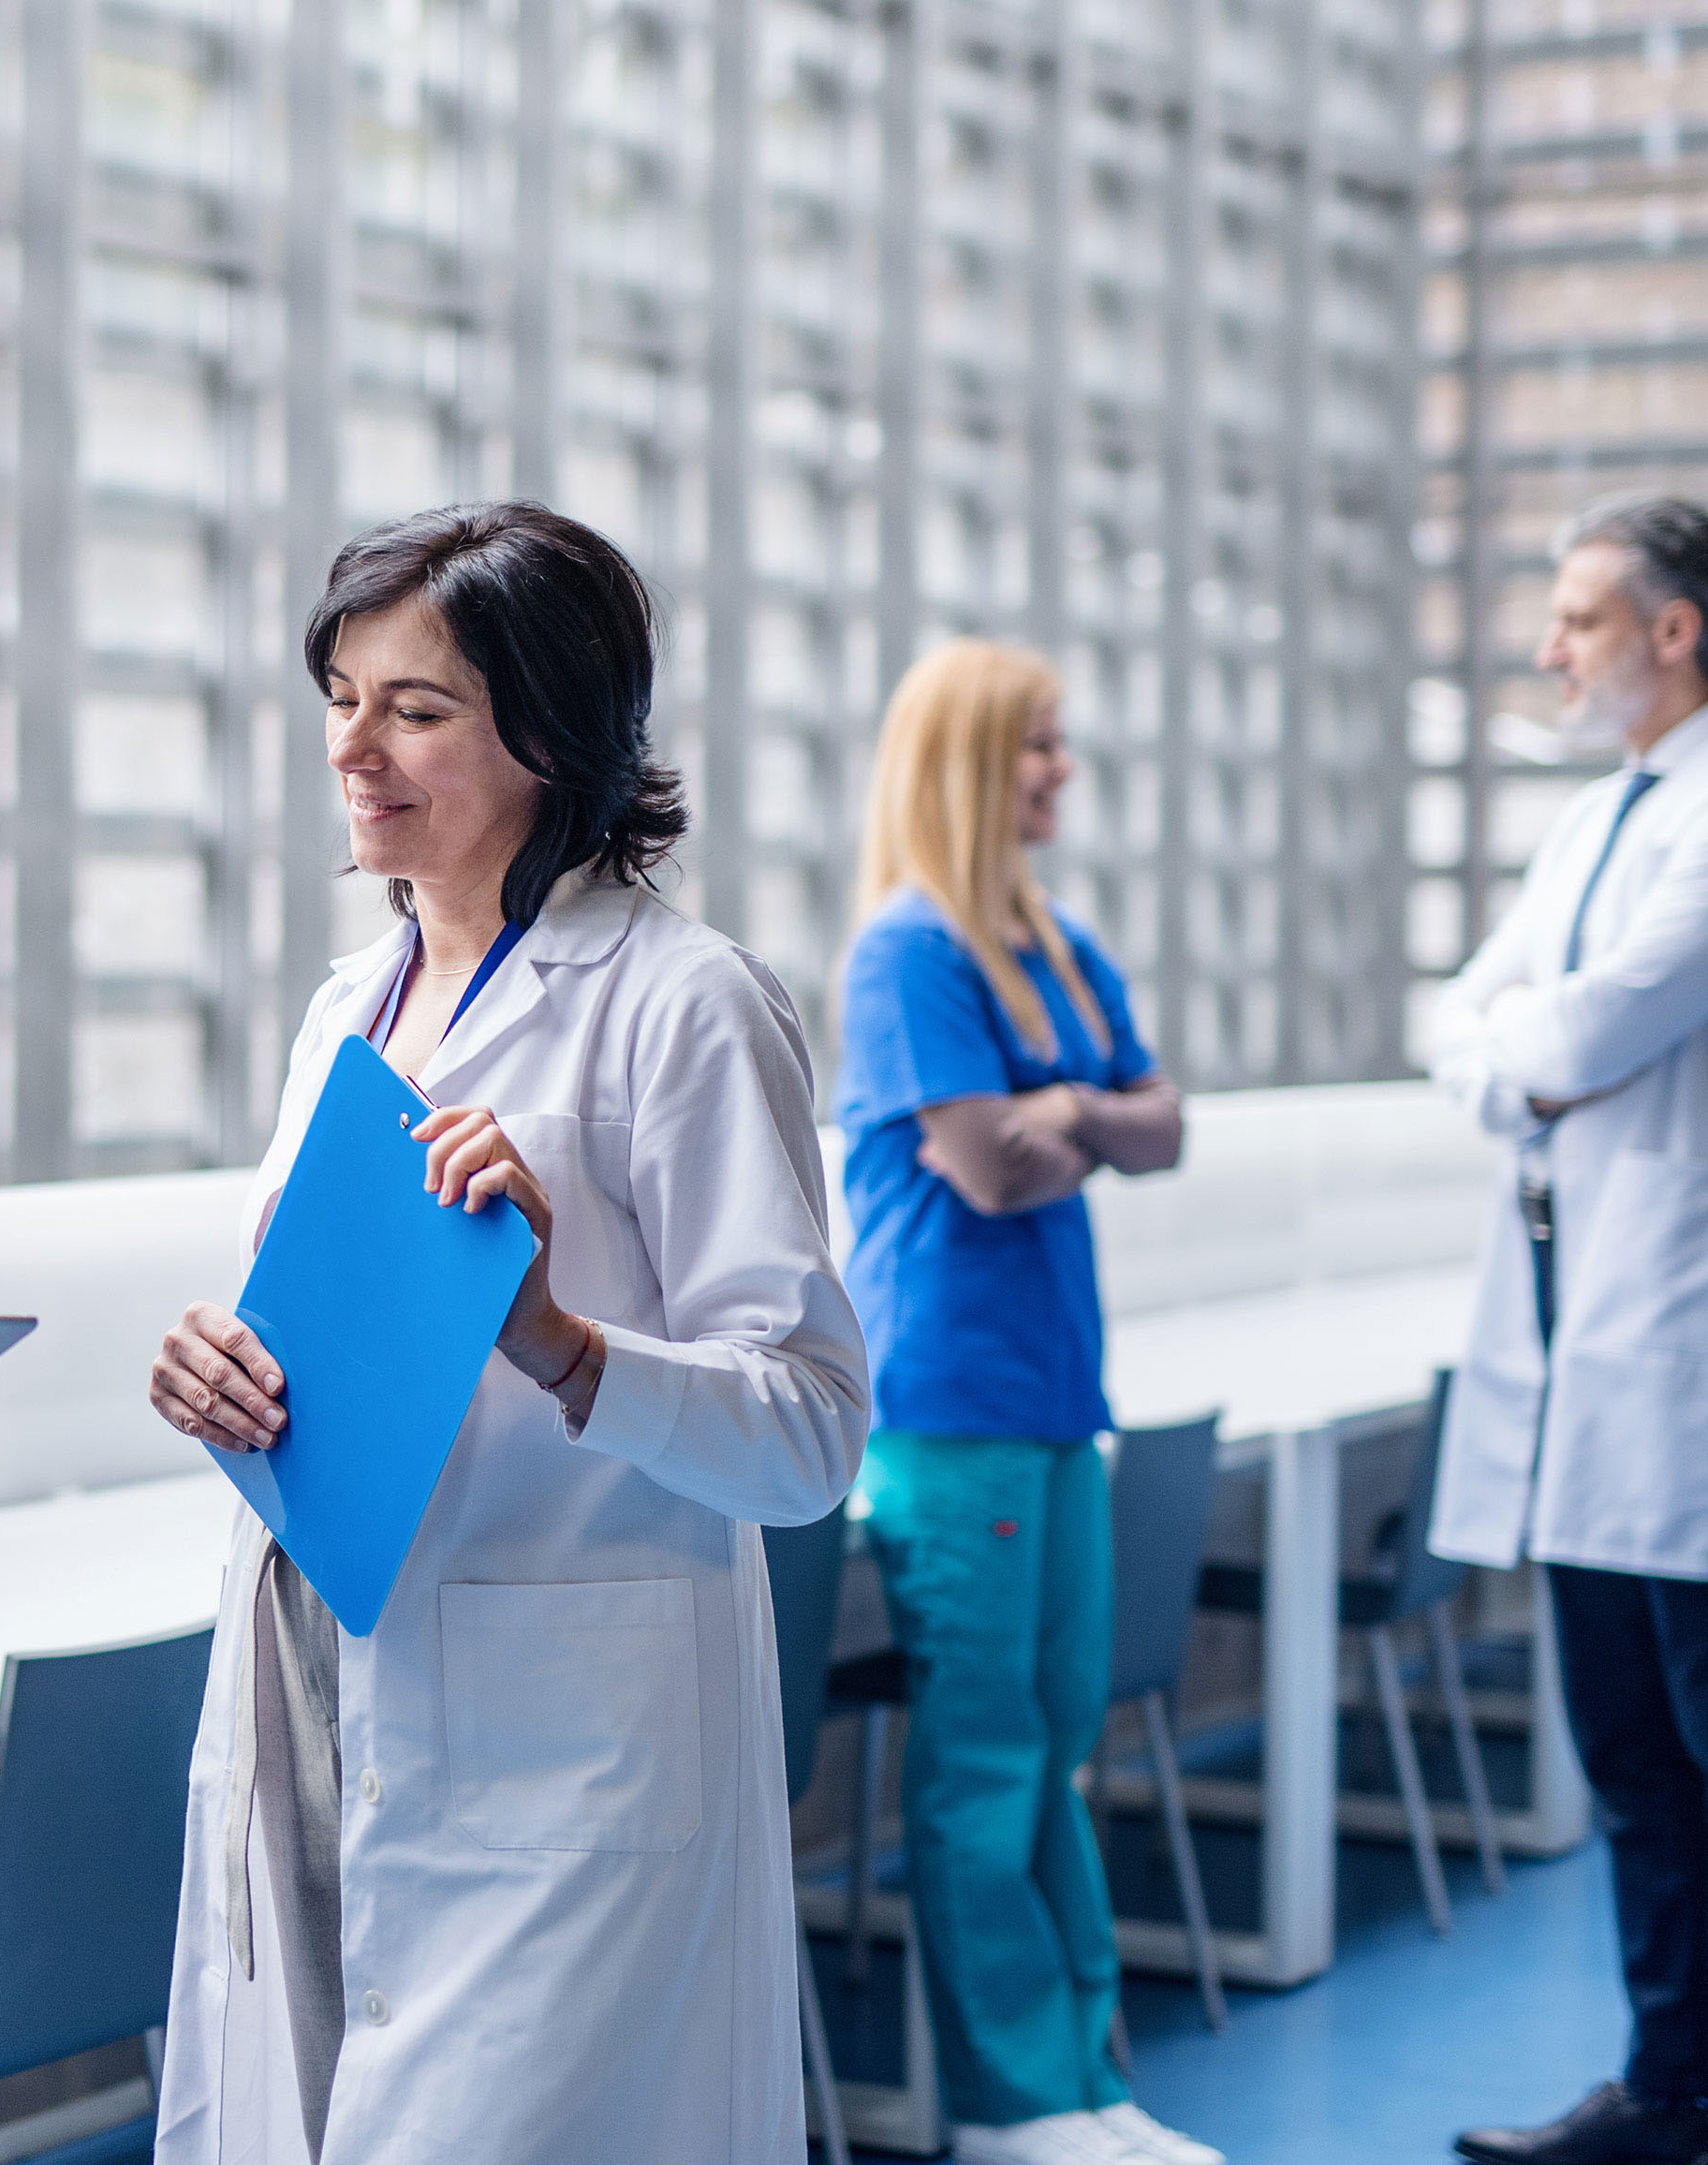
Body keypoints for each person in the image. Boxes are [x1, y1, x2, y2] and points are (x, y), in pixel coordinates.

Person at [139, 501, 873, 2163]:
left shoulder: (683, 1004)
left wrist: (558, 1340)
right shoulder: (351, 1008)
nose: (356, 748)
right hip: (319, 1683)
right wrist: (221, 1379)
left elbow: (814, 1431)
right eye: (342, 697)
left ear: (552, 731)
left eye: (418, 708)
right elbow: (329, 1352)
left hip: (569, 1743)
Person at [1432, 496, 1708, 2165]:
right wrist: (1525, 1057)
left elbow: (1578, 1033)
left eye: (1580, 620)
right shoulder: (1606, 816)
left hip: (1684, 1332)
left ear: (1677, 630)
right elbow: (1470, 1023)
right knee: (1625, 1745)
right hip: (1567, 1334)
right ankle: (1669, 2085)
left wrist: (1529, 1056)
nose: (1551, 650)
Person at [831, 641, 1206, 2165]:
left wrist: (1060, 1114)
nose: (1061, 772)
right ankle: (1010, 2103)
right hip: (949, 1405)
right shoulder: (906, 953)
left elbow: (1168, 1127)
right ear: (973, 762)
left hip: (1055, 1402)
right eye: (1039, 747)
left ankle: (1088, 2080)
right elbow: (986, 1168)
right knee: (983, 1759)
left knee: (1056, 1740)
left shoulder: (1047, 943)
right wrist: (1071, 1119)